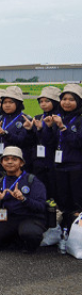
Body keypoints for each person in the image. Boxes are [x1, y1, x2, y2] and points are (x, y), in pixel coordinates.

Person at [0, 146, 47, 252]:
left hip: (29, 218)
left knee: (29, 233)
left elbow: (41, 207)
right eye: (6, 159)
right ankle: (13, 239)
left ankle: (29, 245)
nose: (10, 162)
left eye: (14, 159)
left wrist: (23, 199)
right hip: (8, 218)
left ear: (21, 163)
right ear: (2, 163)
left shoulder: (32, 180)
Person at [52, 84, 82, 236]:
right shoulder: (59, 118)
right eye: (64, 99)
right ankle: (64, 233)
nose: (67, 102)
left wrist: (63, 128)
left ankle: (76, 234)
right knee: (63, 201)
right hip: (59, 166)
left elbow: (78, 142)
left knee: (77, 202)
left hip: (76, 167)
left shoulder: (79, 120)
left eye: (71, 99)